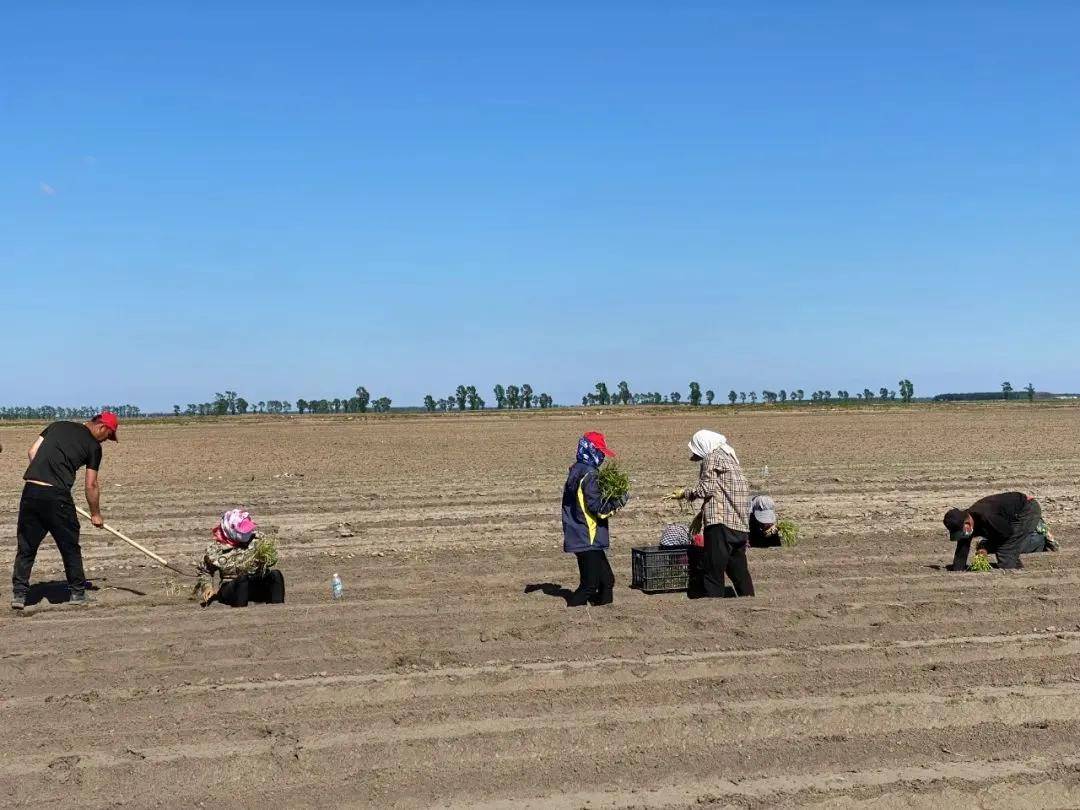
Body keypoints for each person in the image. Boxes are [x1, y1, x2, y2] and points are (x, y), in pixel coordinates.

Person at [11, 412, 118, 610]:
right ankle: (78, 592)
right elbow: (91, 485)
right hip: (57, 496)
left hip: (31, 491)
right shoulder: (94, 447)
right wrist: (95, 514)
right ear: (102, 427)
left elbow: (31, 452)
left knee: (26, 546)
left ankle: (19, 594)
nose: (107, 441)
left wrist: (44, 476)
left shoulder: (57, 425)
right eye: (109, 436)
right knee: (69, 546)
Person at [669, 430, 754, 598]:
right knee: (738, 571)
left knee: (712, 570)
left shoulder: (711, 457)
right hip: (739, 525)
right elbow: (722, 492)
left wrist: (685, 493)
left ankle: (713, 610)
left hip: (720, 524)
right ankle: (749, 602)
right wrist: (701, 514)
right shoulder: (730, 458)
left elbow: (706, 489)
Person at [561, 432, 629, 607]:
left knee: (607, 582)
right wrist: (618, 501)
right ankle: (571, 612)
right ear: (590, 450)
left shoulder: (577, 469)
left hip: (579, 533)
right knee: (589, 586)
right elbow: (599, 509)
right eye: (599, 452)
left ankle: (605, 614)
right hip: (587, 536)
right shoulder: (590, 475)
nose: (602, 456)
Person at [943, 492, 1058, 571]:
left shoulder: (987, 516)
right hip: (1008, 520)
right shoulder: (968, 521)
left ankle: (1041, 541)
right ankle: (1036, 539)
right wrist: (958, 569)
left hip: (1027, 510)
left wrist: (986, 547)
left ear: (967, 523)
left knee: (1006, 552)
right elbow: (962, 547)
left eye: (961, 532)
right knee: (1002, 546)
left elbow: (1007, 535)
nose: (963, 535)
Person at [195, 509, 285, 607]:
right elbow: (205, 571)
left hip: (255, 583)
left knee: (276, 575)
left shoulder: (258, 540)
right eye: (242, 531)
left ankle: (278, 609)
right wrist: (207, 587)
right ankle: (241, 613)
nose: (246, 534)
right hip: (232, 587)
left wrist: (266, 558)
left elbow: (271, 561)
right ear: (230, 529)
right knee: (242, 580)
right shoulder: (216, 549)